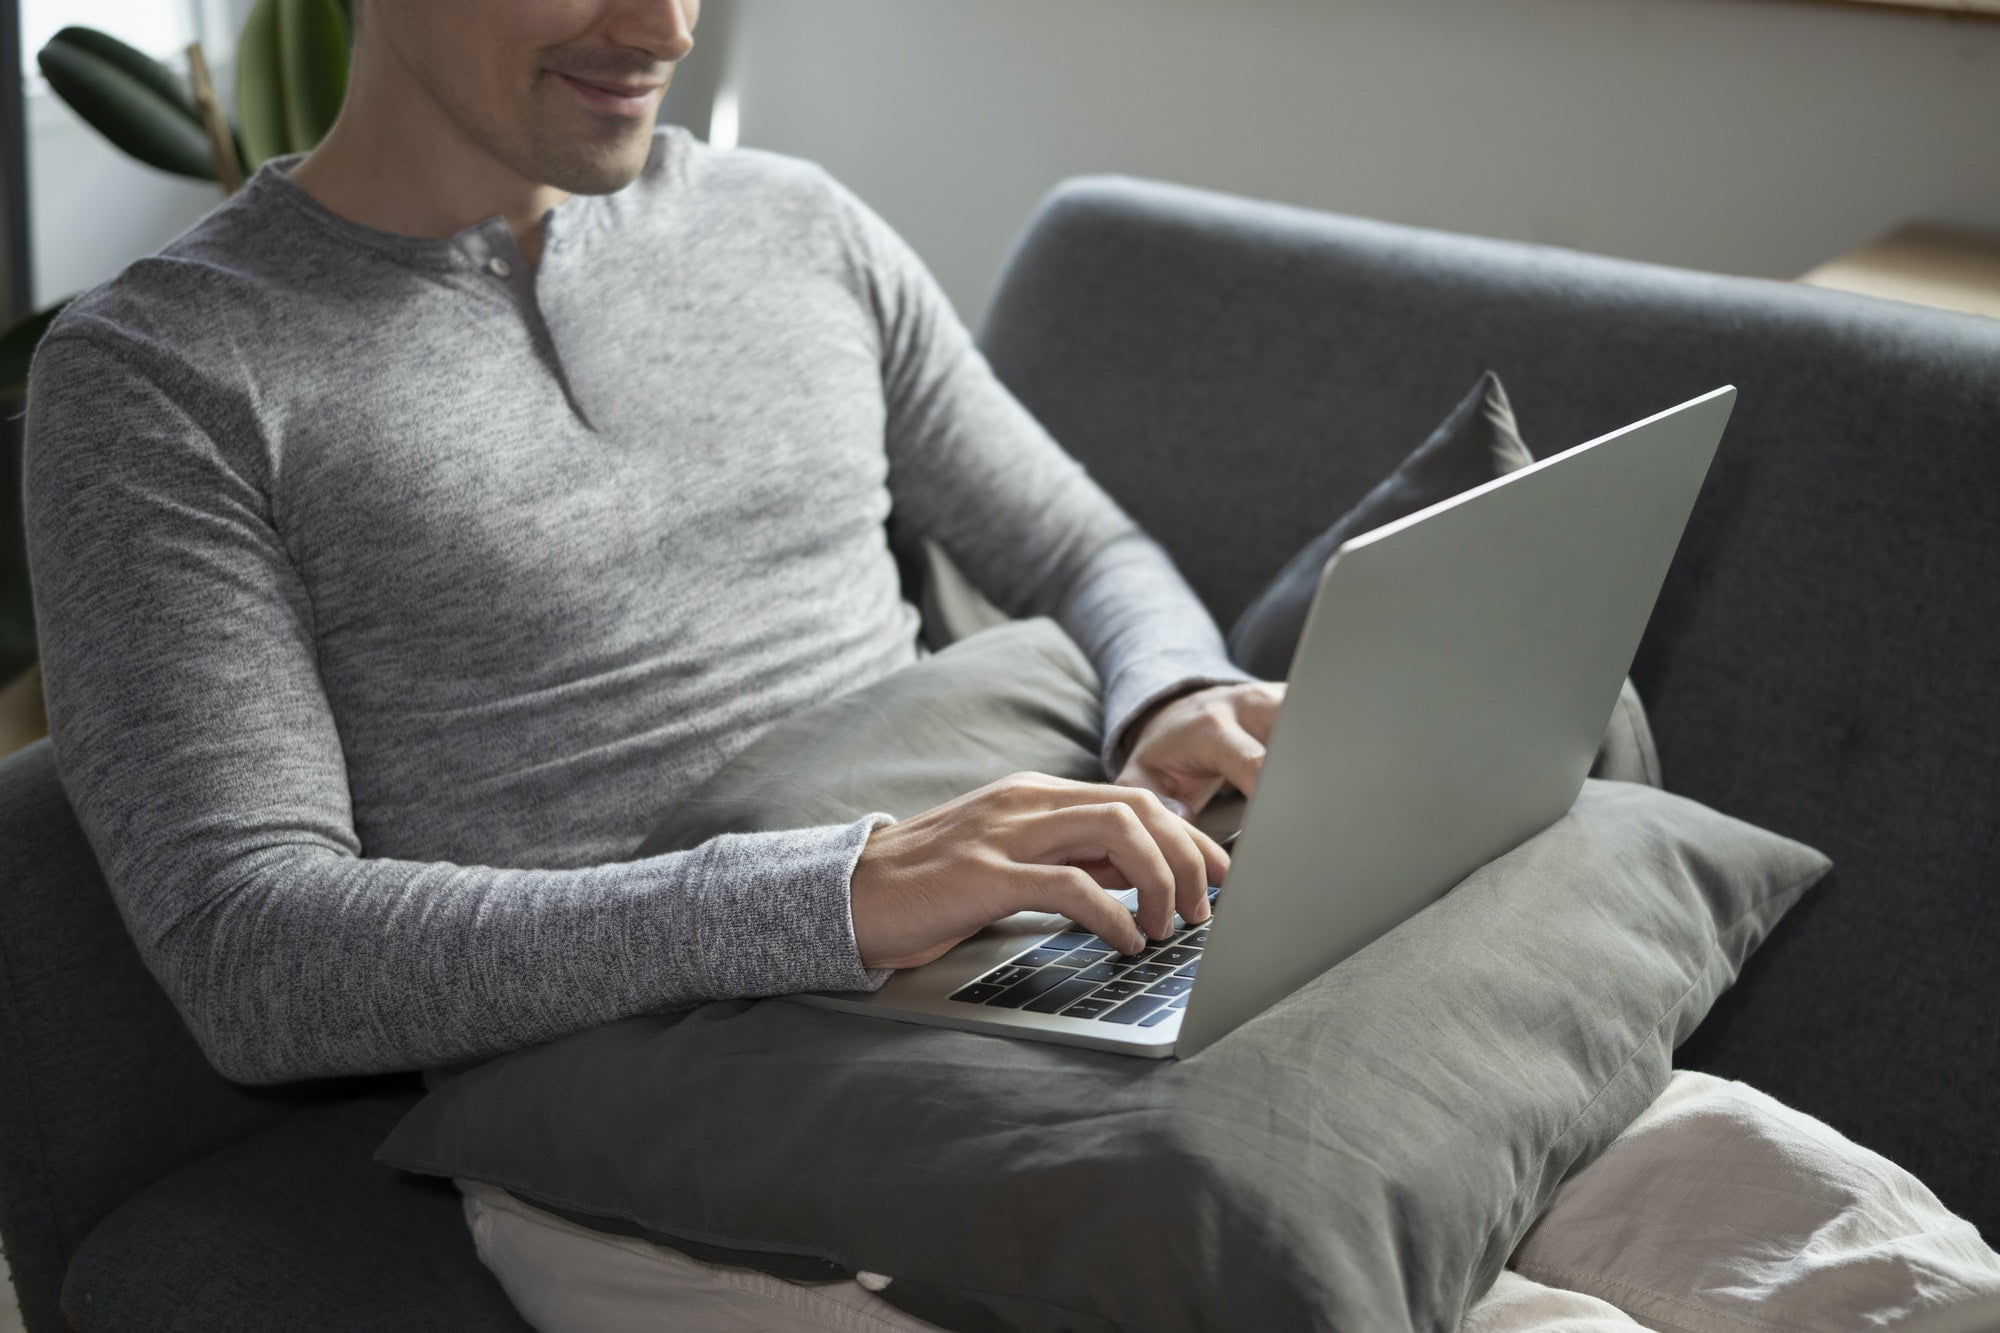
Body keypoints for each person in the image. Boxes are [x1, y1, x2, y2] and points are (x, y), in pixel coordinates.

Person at [25, 0, 1276, 1300]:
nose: (666, 26)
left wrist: (1171, 689)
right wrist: (834, 896)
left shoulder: (800, 223)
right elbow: (253, 955)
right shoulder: (163, 375)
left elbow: (1085, 551)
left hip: (1000, 959)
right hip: (647, 1125)